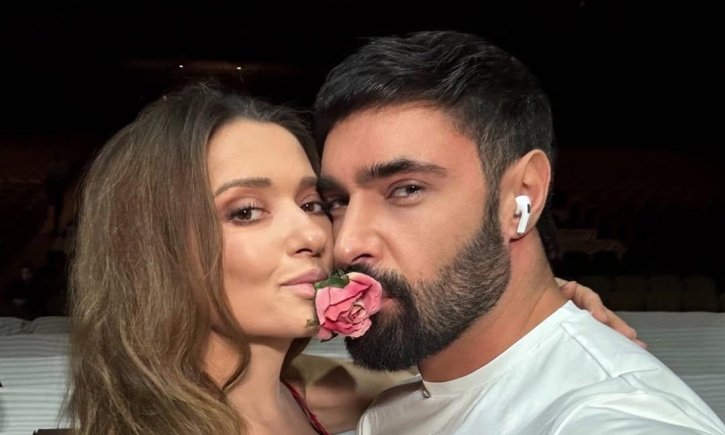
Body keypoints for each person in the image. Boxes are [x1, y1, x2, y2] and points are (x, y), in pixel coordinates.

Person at [313, 30, 725, 434]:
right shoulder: (391, 409)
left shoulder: (608, 412)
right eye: (337, 202)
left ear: (522, 196)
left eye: (406, 190)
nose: (346, 245)